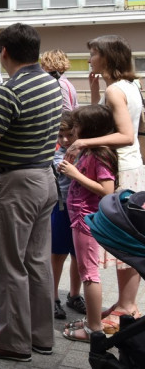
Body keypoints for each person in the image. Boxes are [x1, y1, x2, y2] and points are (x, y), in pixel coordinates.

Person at [0, 23, 62, 362]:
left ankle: (13, 341)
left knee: (7, 265)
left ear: (4, 52)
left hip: (13, 186)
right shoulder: (51, 84)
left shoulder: (9, 90)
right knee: (36, 262)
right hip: (43, 179)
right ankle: (41, 337)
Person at [71, 35, 145, 331]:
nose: (89, 59)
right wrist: (93, 91)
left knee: (125, 240)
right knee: (132, 238)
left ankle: (127, 305)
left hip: (121, 169)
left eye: (93, 53)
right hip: (132, 168)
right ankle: (126, 303)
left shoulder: (116, 90)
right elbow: (113, 123)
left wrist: (84, 141)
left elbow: (125, 134)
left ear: (107, 57)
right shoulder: (129, 86)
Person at [58, 104, 117, 342]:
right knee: (86, 270)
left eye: (78, 125)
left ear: (89, 129)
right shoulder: (89, 152)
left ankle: (94, 328)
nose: (74, 130)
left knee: (89, 273)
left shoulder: (100, 154)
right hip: (80, 218)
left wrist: (75, 174)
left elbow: (107, 190)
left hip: (87, 220)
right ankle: (92, 320)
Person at [51, 112, 84, 321]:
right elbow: (60, 167)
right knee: (57, 255)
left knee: (78, 255)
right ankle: (52, 297)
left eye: (69, 135)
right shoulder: (57, 154)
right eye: (60, 135)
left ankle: (74, 294)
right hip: (61, 208)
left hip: (80, 210)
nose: (64, 140)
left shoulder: (85, 150)